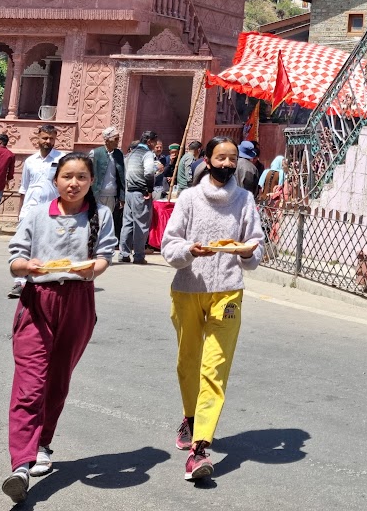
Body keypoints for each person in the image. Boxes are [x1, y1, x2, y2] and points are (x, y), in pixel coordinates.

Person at [1, 151, 115, 503]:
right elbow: (14, 260)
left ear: (91, 181)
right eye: (67, 176)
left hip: (78, 302)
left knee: (58, 379)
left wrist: (91, 270)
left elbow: (105, 256)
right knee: (29, 382)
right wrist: (27, 267)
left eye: (82, 177)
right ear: (56, 180)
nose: (74, 183)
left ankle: (44, 442)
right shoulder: (36, 213)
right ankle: (21, 462)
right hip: (38, 300)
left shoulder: (101, 214)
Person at [161, 136, 264, 482]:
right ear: (206, 160)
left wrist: (247, 252)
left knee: (214, 369)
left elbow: (255, 248)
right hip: (188, 289)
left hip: (229, 293)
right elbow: (169, 245)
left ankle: (200, 449)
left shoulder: (245, 200)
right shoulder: (189, 198)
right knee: (188, 363)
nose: (226, 164)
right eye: (220, 157)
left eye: (232, 158)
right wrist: (190, 251)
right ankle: (191, 417)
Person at [10, 126, 64, 296]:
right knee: (24, 246)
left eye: (51, 139)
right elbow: (24, 188)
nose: (48, 142)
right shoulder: (30, 161)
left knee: (48, 245)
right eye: (45, 138)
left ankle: (45, 281)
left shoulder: (61, 159)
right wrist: (20, 212)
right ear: (38, 138)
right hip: (29, 210)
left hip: (52, 210)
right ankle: (19, 282)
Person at [118, 131, 161, 263]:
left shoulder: (131, 154)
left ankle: (124, 254)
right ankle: (139, 256)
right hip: (141, 193)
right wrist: (149, 189)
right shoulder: (147, 154)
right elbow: (148, 172)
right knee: (141, 225)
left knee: (127, 224)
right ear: (149, 141)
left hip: (129, 192)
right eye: (154, 142)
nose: (155, 145)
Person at [90, 128, 121, 224]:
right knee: (96, 220)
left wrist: (122, 197)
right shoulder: (95, 153)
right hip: (98, 194)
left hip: (112, 194)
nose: (117, 142)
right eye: (115, 139)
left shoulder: (118, 154)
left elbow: (122, 176)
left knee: (108, 221)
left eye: (118, 139)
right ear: (107, 140)